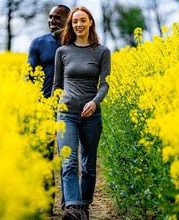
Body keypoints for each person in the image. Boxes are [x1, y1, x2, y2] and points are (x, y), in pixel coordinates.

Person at [52, 6, 111, 220]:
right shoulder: (62, 51)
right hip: (66, 113)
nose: (79, 24)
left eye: (83, 20)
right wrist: (52, 114)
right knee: (69, 162)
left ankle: (83, 206)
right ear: (71, 25)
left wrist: (95, 102)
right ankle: (73, 208)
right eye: (75, 21)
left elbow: (105, 84)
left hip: (91, 116)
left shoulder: (102, 51)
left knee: (88, 165)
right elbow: (57, 86)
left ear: (90, 23)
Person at [26, 4, 70, 217]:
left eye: (57, 18)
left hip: (70, 110)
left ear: (68, 19)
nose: (52, 21)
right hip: (44, 109)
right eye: (50, 18)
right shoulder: (39, 43)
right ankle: (46, 204)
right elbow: (30, 75)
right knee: (44, 159)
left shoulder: (77, 43)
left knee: (67, 160)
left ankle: (68, 205)